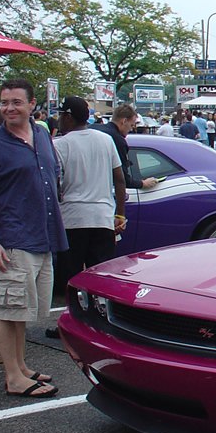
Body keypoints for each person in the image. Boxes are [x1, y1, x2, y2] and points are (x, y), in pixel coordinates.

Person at [0, 78, 65, 398]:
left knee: (24, 310)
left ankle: (21, 366)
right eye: (4, 103)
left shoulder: (42, 135)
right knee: (7, 308)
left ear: (32, 105)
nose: (9, 108)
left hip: (43, 236)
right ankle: (12, 376)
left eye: (16, 102)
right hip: (12, 239)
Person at [52, 96, 126, 299]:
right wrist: (120, 214)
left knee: (71, 277)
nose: (58, 119)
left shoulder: (60, 145)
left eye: (61, 115)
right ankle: (101, 321)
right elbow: (119, 179)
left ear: (68, 117)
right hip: (102, 217)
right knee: (101, 277)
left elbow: (57, 184)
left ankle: (72, 320)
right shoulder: (106, 140)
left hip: (73, 218)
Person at [93, 105, 158, 191]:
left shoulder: (92, 128)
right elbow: (121, 178)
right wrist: (143, 184)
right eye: (131, 125)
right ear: (124, 121)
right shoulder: (118, 140)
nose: (131, 129)